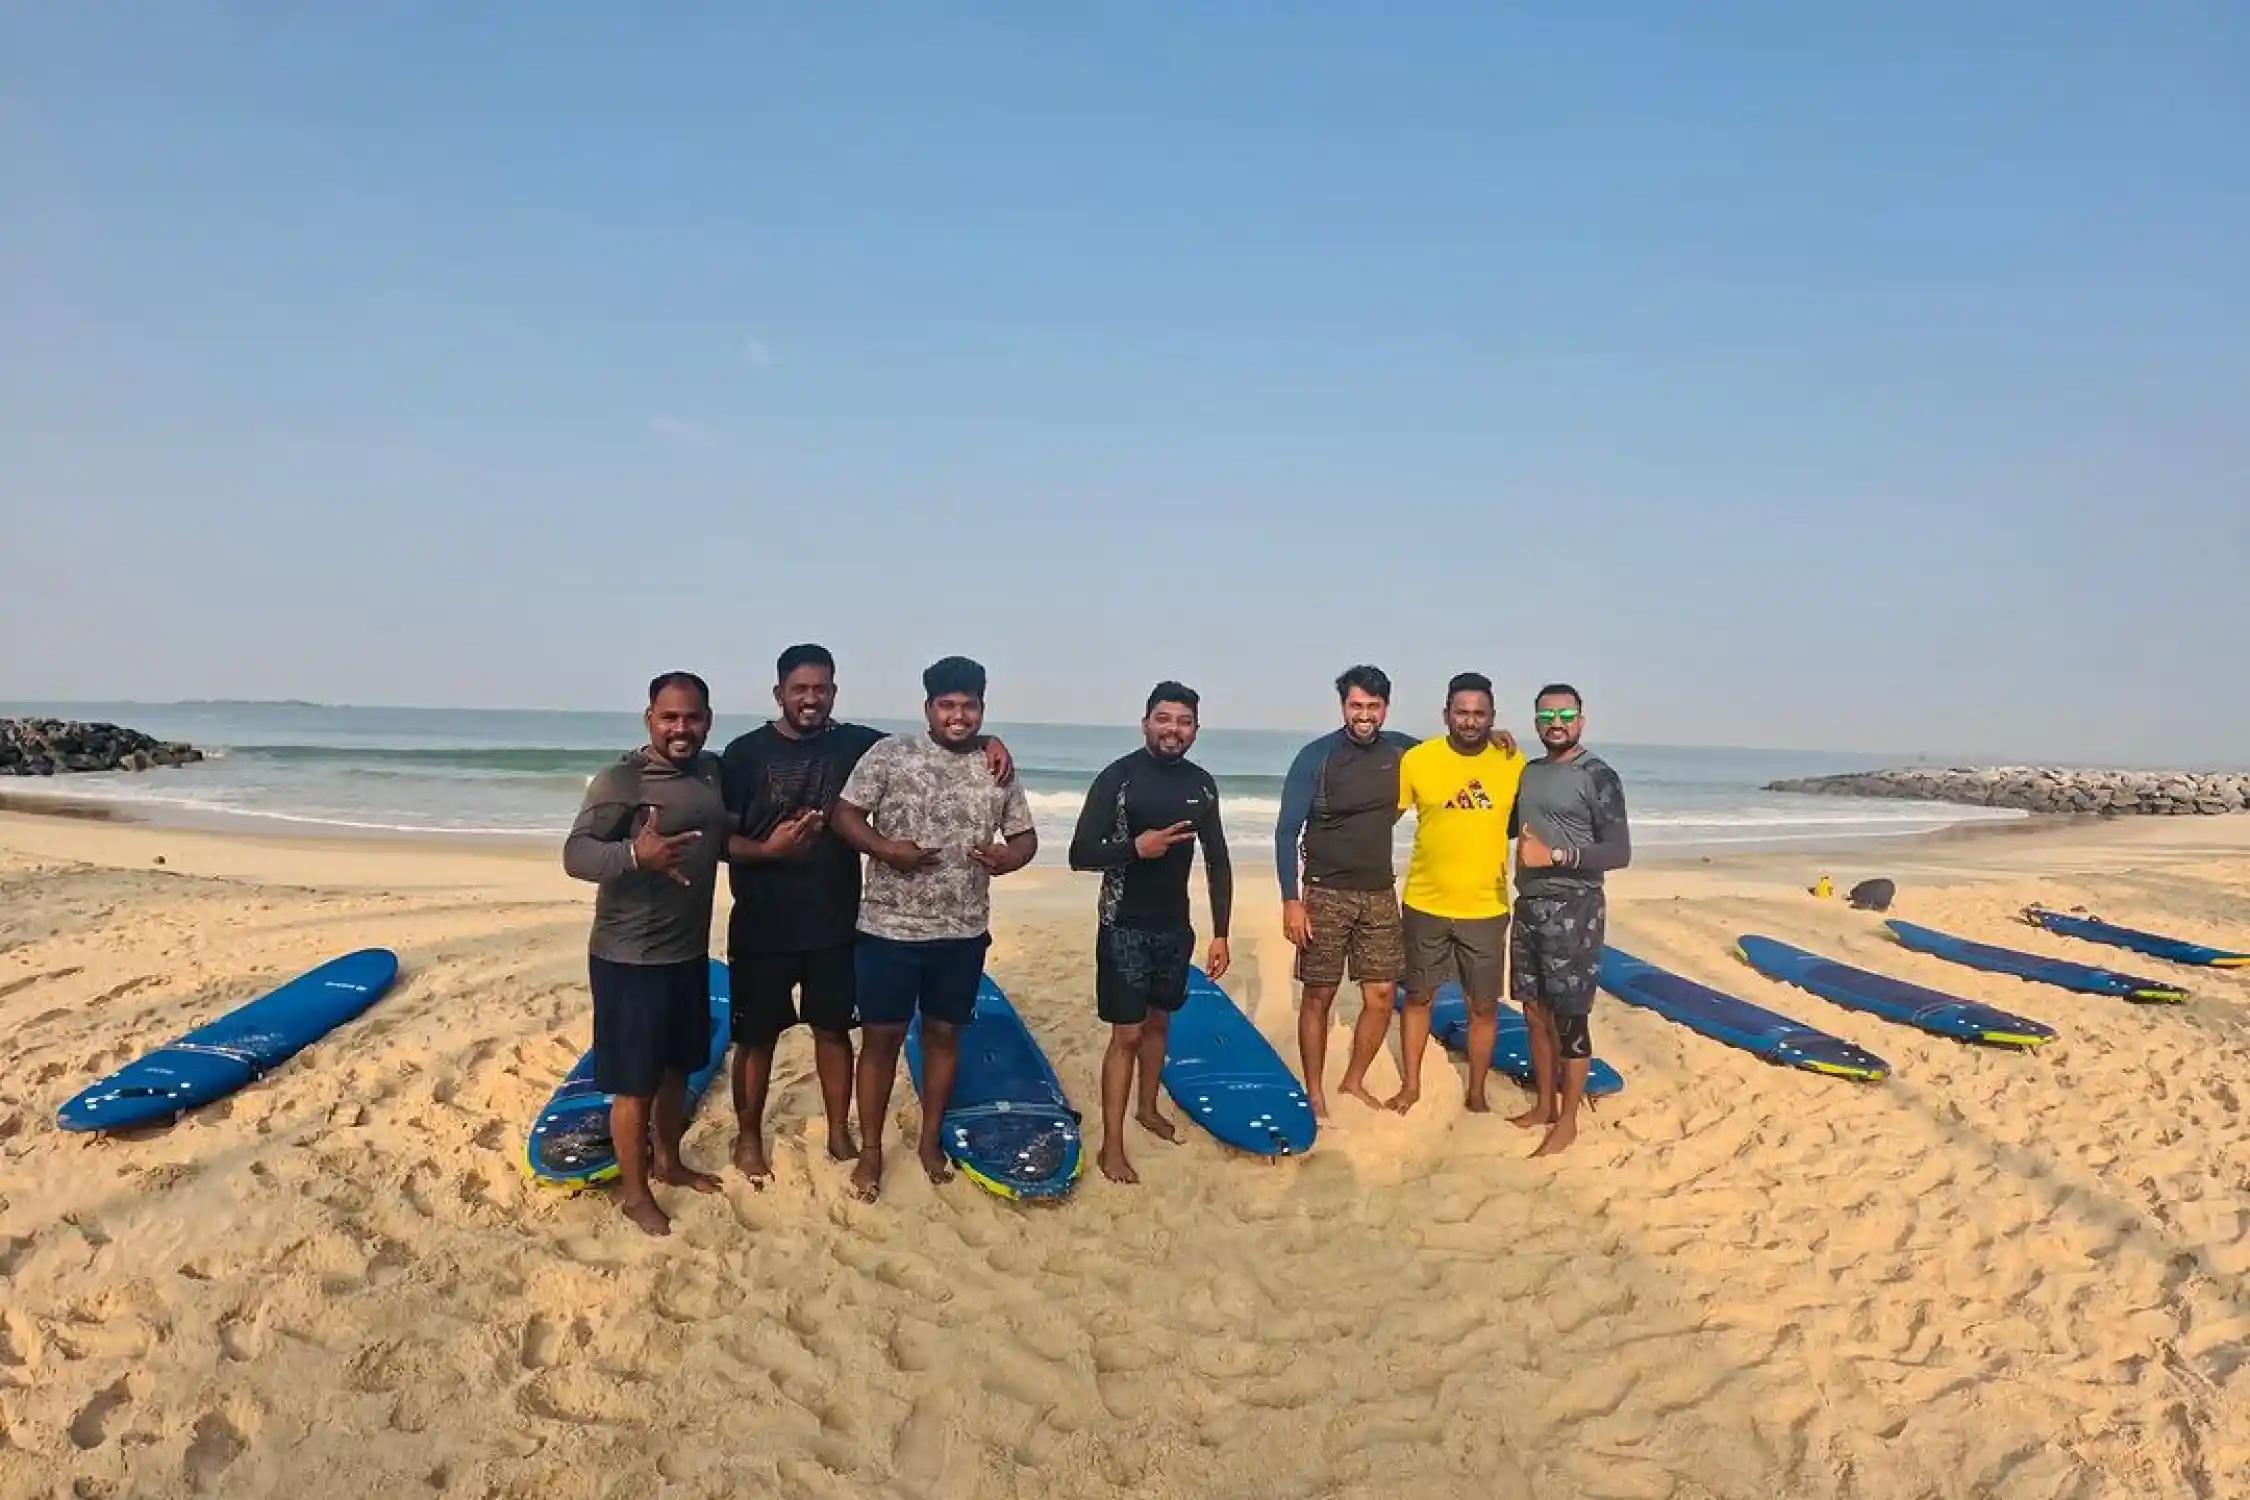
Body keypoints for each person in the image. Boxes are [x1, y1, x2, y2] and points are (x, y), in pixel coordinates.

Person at [716, 644, 1013, 1189]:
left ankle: (838, 1131)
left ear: (834, 691)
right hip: (762, 921)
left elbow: (939, 743)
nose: (811, 698)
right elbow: (720, 840)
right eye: (800, 689)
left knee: (834, 1032)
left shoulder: (858, 744)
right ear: (778, 693)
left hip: (836, 922)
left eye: (821, 688)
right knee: (756, 1038)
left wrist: (987, 741)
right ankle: (749, 1136)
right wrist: (767, 851)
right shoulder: (742, 754)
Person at [829, 656, 1037, 1202]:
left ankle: (928, 1140)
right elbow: (844, 815)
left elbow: (1025, 837)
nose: (958, 716)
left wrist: (1008, 858)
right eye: (947, 705)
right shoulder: (890, 755)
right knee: (881, 1041)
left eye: (969, 706)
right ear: (928, 708)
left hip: (963, 932)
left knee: (945, 1037)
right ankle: (872, 1152)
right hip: (887, 930)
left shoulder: (997, 768)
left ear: (982, 709)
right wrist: (884, 849)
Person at [1274, 666, 1516, 1113]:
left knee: (1383, 996)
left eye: (1373, 706)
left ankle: (1352, 1080)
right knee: (1319, 995)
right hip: (1324, 891)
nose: (1364, 715)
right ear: (1343, 705)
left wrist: (1492, 734)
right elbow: (1286, 831)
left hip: (1380, 892)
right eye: (1355, 705)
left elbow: (1457, 749)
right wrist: (1291, 899)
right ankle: (1314, 1090)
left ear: (1385, 708)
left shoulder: (1405, 751)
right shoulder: (1316, 756)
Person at [561, 671, 733, 1236]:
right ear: (649, 719)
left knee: (676, 1068)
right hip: (627, 959)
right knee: (632, 1083)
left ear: (707, 720)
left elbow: (720, 834)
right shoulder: (622, 780)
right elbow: (577, 854)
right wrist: (636, 856)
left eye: (692, 718)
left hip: (686, 955)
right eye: (669, 718)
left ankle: (668, 1161)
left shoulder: (710, 772)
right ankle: (635, 1195)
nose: (681, 728)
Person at [1068, 681, 1233, 1184]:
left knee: (1160, 1025)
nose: (1173, 729)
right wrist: (1134, 848)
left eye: (1184, 721)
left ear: (1196, 730)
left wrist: (1220, 932)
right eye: (1163, 719)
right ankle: (1112, 1146)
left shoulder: (1202, 785)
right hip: (1123, 925)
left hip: (1173, 927)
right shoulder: (1119, 778)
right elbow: (1080, 853)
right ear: (1145, 722)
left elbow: (1218, 861)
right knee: (1126, 1035)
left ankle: (1147, 1108)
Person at [1388, 672, 1526, 1114]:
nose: (1470, 721)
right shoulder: (1418, 759)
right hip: (1424, 902)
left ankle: (1477, 1092)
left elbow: (1529, 821)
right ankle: (1411, 1086)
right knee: (1417, 997)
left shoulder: (1513, 761)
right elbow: (1381, 819)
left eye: (1479, 713)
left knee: (1483, 1005)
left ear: (1492, 717)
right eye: (1461, 712)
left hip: (1486, 908)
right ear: (1446, 714)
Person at [1509, 683, 1632, 1157]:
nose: (1555, 723)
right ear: (1536, 722)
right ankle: (1543, 1105)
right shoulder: (1530, 771)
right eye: (1545, 716)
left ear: (1581, 719)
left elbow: (1619, 851)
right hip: (1529, 906)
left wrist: (1553, 854)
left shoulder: (1598, 776)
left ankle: (1568, 1120)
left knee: (1570, 1018)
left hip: (1576, 908)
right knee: (1533, 1012)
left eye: (1564, 714)